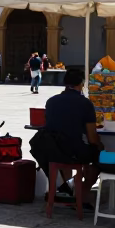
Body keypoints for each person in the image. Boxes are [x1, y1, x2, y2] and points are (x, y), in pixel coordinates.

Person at [31, 67, 101, 196]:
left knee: (74, 151)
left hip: (53, 149)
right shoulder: (85, 103)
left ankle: (68, 187)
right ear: (82, 83)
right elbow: (92, 138)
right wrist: (101, 146)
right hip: (72, 151)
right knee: (97, 162)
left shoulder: (51, 101)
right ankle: (81, 196)